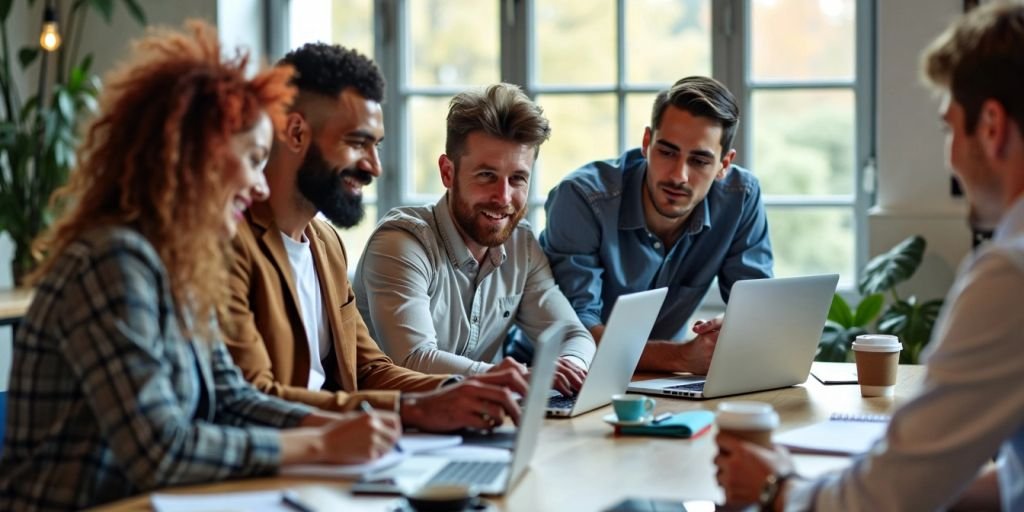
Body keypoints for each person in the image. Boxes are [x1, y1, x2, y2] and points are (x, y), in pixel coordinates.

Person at [0, 23, 400, 511]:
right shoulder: (113, 260)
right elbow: (160, 450)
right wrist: (322, 445)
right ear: (196, 160)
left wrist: (340, 428)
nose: (259, 186)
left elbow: (232, 399)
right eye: (254, 160)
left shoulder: (181, 263)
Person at [715, 3, 1024, 510]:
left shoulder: (1010, 274)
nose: (948, 155)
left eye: (949, 129)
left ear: (990, 126)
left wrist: (778, 490)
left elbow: (886, 500)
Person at [221, 44, 527, 433]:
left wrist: (459, 390)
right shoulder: (229, 244)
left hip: (343, 453)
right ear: (296, 133)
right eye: (356, 143)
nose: (374, 167)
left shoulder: (325, 243)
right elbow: (255, 399)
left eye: (376, 146)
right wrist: (416, 410)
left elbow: (368, 369)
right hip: (280, 462)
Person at [353, 83, 595, 397]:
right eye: (486, 176)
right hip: (393, 428)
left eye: (517, 179)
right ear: (447, 172)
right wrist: (523, 376)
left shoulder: (521, 247)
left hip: (479, 421)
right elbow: (413, 360)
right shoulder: (401, 244)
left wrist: (567, 368)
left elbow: (575, 335)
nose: (503, 197)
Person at [540, 76, 772, 375]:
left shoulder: (740, 198)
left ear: (724, 165)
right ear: (647, 143)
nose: (679, 176)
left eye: (700, 160)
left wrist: (733, 332)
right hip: (561, 376)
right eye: (667, 152)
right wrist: (681, 357)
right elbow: (576, 334)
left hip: (663, 380)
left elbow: (758, 309)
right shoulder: (582, 198)